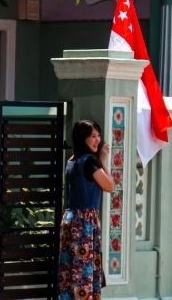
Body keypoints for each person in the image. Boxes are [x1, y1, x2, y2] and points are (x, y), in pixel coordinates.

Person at [58, 119, 115, 300]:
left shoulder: (71, 160)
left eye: (98, 136)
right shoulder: (91, 162)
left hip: (69, 220)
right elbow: (110, 185)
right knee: (84, 273)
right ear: (83, 138)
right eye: (92, 136)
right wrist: (103, 161)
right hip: (84, 223)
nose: (97, 140)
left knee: (70, 271)